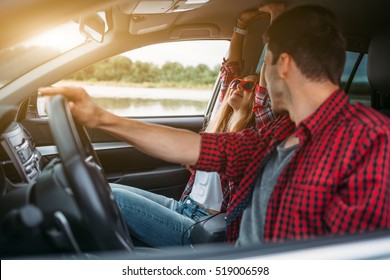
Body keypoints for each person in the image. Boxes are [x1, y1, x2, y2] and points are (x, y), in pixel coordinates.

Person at [40, 4, 390, 246]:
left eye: (264, 63)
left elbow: (350, 261)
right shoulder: (275, 140)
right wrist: (102, 118)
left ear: (281, 65)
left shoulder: (372, 143)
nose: (261, 80)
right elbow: (194, 148)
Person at [109, 6, 280, 247]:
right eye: (237, 83)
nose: (238, 86)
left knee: (113, 198)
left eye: (249, 87)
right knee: (105, 190)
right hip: (184, 206)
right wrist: (240, 25)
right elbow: (229, 71)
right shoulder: (222, 123)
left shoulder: (255, 136)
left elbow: (265, 88)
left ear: (258, 98)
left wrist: (277, 17)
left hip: (203, 228)